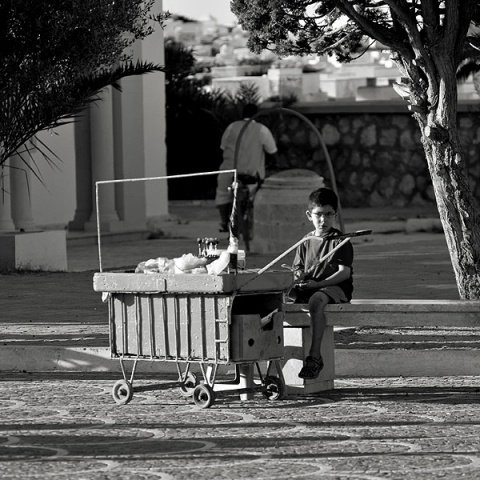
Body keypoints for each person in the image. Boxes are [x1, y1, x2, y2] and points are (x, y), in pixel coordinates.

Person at [291, 187, 354, 380]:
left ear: (336, 215)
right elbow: (297, 270)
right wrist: (299, 279)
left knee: (316, 301)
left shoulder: (341, 241)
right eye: (318, 215)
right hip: (311, 287)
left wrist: (316, 286)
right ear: (309, 215)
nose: (323, 220)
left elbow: (344, 274)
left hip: (334, 289)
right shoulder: (306, 241)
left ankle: (315, 356)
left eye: (328, 214)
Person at [215, 103, 278, 232]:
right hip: (251, 173)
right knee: (254, 197)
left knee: (222, 195)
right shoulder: (262, 130)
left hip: (229, 171)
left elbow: (222, 148)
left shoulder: (231, 127)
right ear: (257, 115)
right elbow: (272, 151)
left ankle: (223, 221)